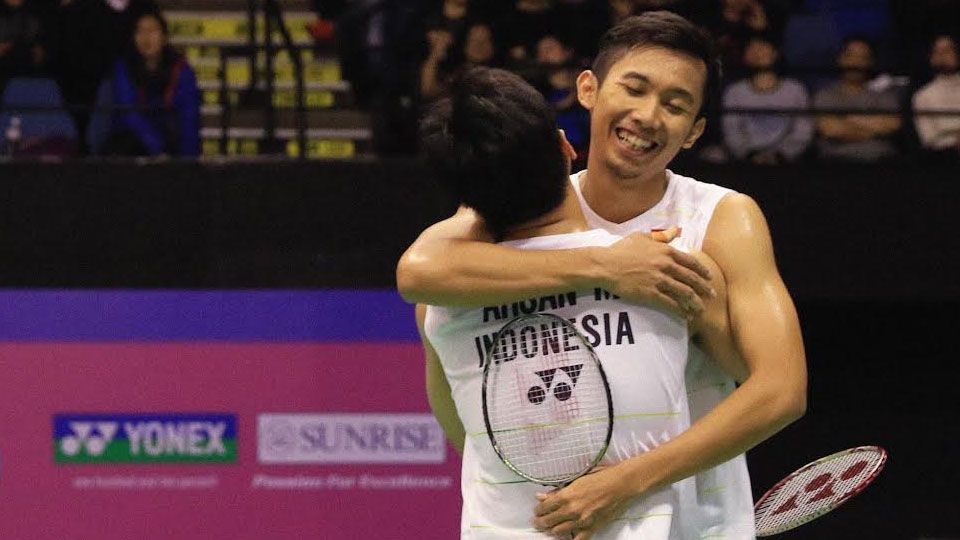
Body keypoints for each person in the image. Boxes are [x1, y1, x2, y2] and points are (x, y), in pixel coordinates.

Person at [398, 11, 807, 538]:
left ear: (694, 132)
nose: (648, 115)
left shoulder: (721, 219)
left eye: (675, 105)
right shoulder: (525, 199)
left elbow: (780, 389)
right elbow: (418, 273)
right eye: (634, 89)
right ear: (588, 88)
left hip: (687, 520)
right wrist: (610, 266)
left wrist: (623, 484)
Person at [102, 10, 199, 157]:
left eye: (152, 31)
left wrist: (188, 162)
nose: (146, 37)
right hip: (134, 141)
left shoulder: (181, 70)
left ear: (164, 37)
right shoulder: (124, 68)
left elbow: (189, 116)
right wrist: (157, 150)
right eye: (140, 31)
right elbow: (130, 113)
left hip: (170, 140)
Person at [721, 34, 814, 164]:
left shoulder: (795, 89)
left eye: (762, 46)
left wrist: (780, 155)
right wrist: (750, 155)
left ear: (775, 52)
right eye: (751, 48)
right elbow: (732, 131)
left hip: (787, 164)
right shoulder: (735, 91)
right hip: (744, 163)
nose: (757, 52)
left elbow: (802, 131)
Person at [813, 36, 902, 162]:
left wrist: (848, 118)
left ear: (871, 62)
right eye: (851, 55)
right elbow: (831, 130)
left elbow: (893, 125)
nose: (856, 62)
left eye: (863, 57)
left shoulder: (884, 95)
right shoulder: (825, 95)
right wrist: (874, 130)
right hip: (837, 163)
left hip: (882, 164)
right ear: (841, 59)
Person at [912, 34, 960, 156]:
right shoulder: (922, 96)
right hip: (944, 157)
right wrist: (955, 141)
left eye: (947, 50)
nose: (943, 55)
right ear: (931, 58)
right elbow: (928, 138)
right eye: (937, 51)